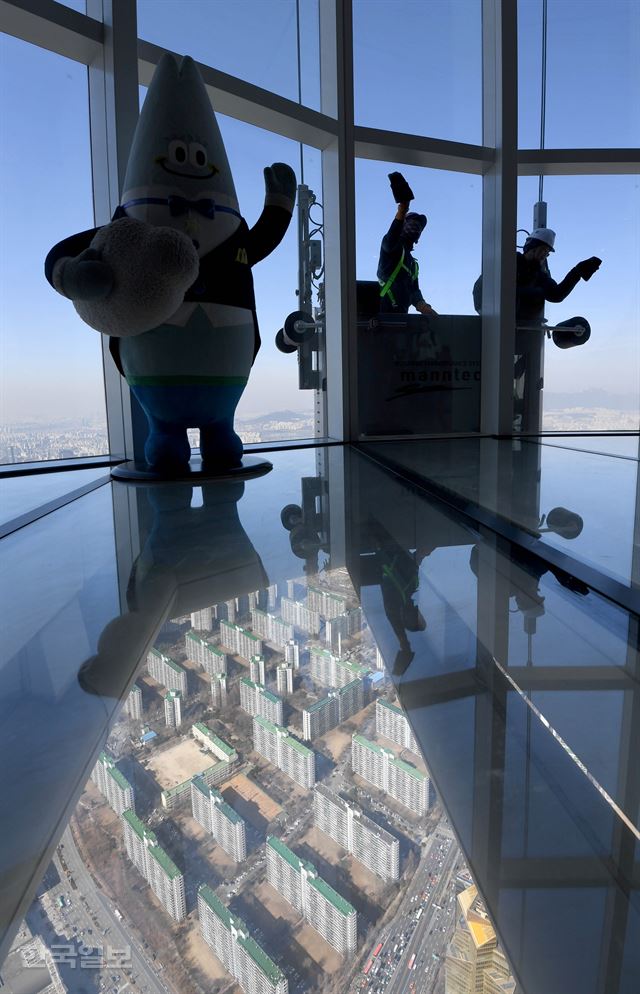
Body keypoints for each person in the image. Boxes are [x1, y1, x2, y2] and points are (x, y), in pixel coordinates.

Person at [472, 227, 601, 321]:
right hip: (500, 325)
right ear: (532, 248)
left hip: (526, 330)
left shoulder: (539, 275)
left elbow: (556, 295)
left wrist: (577, 272)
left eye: (547, 253)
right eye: (543, 250)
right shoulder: (508, 264)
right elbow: (483, 289)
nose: (544, 256)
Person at [377, 200, 438, 316]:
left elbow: (414, 291)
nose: (416, 227)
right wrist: (401, 212)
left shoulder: (413, 265)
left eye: (418, 226)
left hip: (402, 320)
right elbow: (391, 238)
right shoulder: (393, 247)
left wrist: (423, 306)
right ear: (402, 226)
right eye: (411, 222)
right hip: (383, 317)